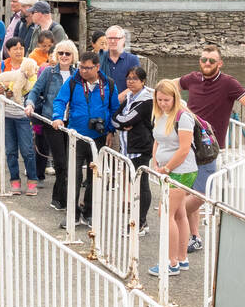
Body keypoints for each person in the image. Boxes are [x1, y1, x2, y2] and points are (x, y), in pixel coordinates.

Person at [178, 42, 245, 153]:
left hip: (210, 148)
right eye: (204, 60)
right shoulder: (192, 78)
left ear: (220, 64)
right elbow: (167, 88)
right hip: (186, 141)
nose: (207, 63)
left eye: (211, 61)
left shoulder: (229, 83)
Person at [50, 50, 118, 226]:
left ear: (97, 67)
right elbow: (59, 100)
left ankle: (89, 212)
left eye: (87, 68)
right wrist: (57, 116)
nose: (83, 71)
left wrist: (110, 130)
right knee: (73, 176)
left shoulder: (109, 84)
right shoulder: (73, 82)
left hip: (100, 137)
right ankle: (72, 214)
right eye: (81, 67)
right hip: (76, 136)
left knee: (94, 176)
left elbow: (115, 109)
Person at [148, 79, 201, 275]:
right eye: (159, 100)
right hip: (167, 168)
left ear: (175, 98)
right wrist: (156, 161)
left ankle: (171, 262)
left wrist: (168, 167)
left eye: (166, 100)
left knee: (166, 213)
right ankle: (181, 258)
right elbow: (158, 141)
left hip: (181, 171)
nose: (162, 103)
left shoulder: (183, 117)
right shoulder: (160, 114)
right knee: (178, 213)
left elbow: (184, 148)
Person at [25, 40, 77, 209]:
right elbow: (35, 91)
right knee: (60, 161)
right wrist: (30, 103)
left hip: (72, 123)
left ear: (73, 56)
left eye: (67, 54)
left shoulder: (77, 75)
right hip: (52, 121)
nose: (63, 56)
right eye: (60, 53)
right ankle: (60, 199)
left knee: (70, 162)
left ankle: (63, 197)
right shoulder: (48, 72)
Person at [0, 38, 40, 195]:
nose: (18, 51)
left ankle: (32, 181)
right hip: (6, 114)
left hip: (23, 115)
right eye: (15, 48)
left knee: (27, 150)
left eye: (21, 48)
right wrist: (3, 90)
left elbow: (34, 87)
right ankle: (14, 181)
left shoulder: (29, 65)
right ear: (8, 51)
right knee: (10, 150)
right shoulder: (3, 66)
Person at [113, 66, 154, 234]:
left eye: (135, 79)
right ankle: (138, 220)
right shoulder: (129, 97)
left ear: (143, 81)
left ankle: (141, 222)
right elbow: (115, 118)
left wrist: (121, 122)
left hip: (140, 148)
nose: (130, 81)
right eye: (128, 78)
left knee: (142, 185)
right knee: (133, 184)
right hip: (127, 148)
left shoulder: (146, 101)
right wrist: (121, 124)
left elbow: (128, 118)